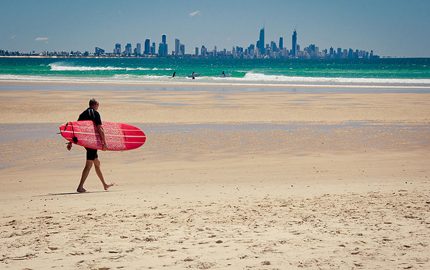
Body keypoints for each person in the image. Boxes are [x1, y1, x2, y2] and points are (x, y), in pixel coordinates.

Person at [67, 98, 114, 193]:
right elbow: (100, 129)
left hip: (86, 142)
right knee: (89, 165)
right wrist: (104, 143)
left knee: (97, 163)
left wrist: (70, 142)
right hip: (93, 142)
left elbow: (75, 129)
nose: (98, 107)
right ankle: (80, 187)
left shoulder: (82, 114)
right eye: (98, 105)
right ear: (95, 105)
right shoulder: (95, 114)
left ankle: (104, 184)